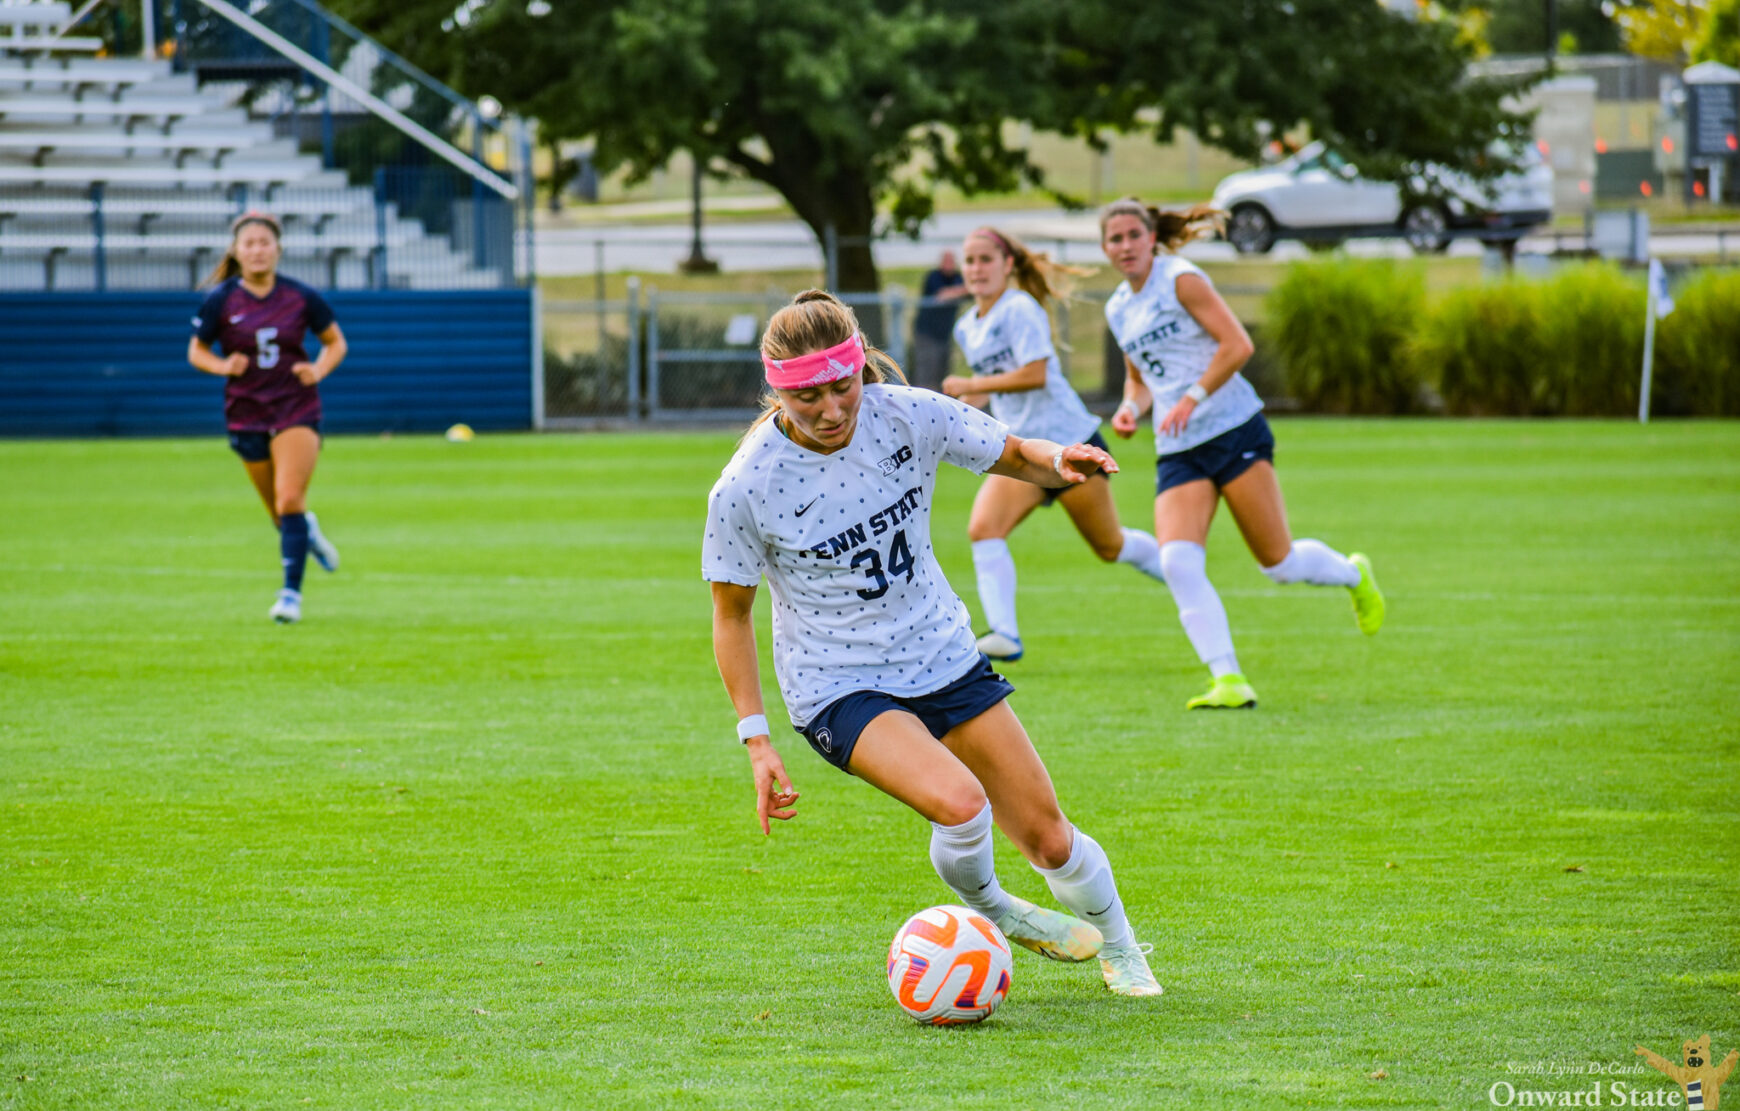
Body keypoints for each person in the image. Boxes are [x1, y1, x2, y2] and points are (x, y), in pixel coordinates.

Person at [704, 290, 1161, 997]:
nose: (831, 409)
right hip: (838, 682)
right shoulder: (746, 486)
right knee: (962, 803)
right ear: (776, 391)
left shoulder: (906, 414)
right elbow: (731, 615)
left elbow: (1010, 451)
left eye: (842, 386)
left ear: (861, 367)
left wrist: (1056, 458)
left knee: (1050, 839)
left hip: (941, 652)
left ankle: (1124, 950)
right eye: (808, 398)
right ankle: (996, 910)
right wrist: (756, 739)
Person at [1100, 198, 1385, 709]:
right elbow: (1141, 380)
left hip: (1234, 429)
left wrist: (1193, 397)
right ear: (1106, 248)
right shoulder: (1118, 307)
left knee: (1277, 563)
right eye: (1114, 239)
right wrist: (1129, 408)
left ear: (1151, 238)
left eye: (1131, 236)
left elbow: (1237, 345)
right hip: (1179, 448)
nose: (1124, 247)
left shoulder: (1181, 279)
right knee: (1178, 562)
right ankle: (1228, 680)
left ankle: (1352, 573)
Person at [940, 226, 1166, 663]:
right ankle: (1004, 634)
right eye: (969, 260)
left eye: (986, 259)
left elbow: (1035, 373)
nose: (976, 269)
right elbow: (996, 388)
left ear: (1008, 265)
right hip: (1024, 451)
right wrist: (959, 407)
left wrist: (972, 382)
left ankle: (1178, 569)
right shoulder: (969, 326)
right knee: (984, 529)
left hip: (1070, 445)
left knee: (1110, 547)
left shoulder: (1019, 308)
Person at [187, 210, 346, 624]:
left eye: (264, 242)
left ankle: (290, 595)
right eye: (249, 243)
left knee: (289, 498)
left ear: (278, 248)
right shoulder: (222, 300)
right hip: (246, 412)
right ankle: (307, 533)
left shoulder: (300, 296)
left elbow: (335, 343)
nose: (257, 250)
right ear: (237, 252)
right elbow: (197, 351)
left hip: (296, 407)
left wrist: (318, 370)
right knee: (280, 514)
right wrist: (223, 367)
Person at [908, 250, 968, 391]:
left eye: (951, 261)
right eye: (946, 261)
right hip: (926, 334)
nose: (949, 265)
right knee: (926, 374)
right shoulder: (934, 276)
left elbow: (970, 292)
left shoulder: (957, 277)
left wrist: (960, 291)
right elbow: (943, 295)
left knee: (943, 373)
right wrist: (962, 291)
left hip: (944, 335)